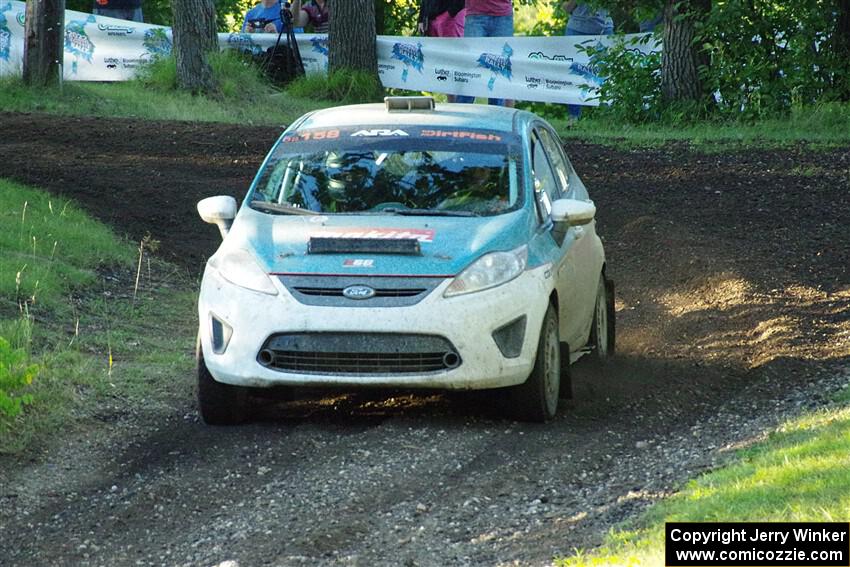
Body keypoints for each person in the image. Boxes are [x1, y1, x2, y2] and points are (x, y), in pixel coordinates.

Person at [562, 0, 614, 121]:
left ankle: (608, 117)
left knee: (606, 76)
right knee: (573, 75)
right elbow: (566, 7)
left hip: (604, 30)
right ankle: (573, 117)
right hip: (576, 30)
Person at [455, 0, 513, 106]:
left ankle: (496, 115)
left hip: (502, 15)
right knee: (471, 66)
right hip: (475, 14)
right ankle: (460, 111)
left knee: (499, 68)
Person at [418, 0, 466, 102]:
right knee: (444, 65)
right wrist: (421, 18)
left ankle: (461, 104)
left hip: (451, 16)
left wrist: (450, 13)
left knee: (455, 63)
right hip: (432, 19)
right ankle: (452, 103)